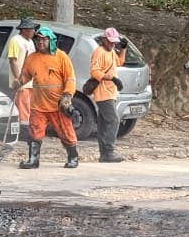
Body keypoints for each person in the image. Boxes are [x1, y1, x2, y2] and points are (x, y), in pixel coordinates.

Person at [18, 25, 78, 169]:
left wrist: (67, 96)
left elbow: (70, 79)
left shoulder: (61, 57)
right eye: (38, 40)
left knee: (66, 131)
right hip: (38, 104)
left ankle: (73, 158)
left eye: (44, 40)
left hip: (58, 104)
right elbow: (25, 76)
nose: (41, 42)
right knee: (34, 132)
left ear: (51, 41)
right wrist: (18, 82)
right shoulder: (32, 58)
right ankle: (33, 160)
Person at [90, 27, 128, 163]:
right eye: (110, 41)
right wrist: (111, 78)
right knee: (113, 120)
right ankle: (109, 151)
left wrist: (123, 49)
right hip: (103, 92)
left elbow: (119, 62)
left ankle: (104, 154)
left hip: (110, 92)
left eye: (114, 42)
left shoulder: (111, 51)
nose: (112, 44)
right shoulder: (99, 52)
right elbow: (94, 71)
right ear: (104, 40)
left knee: (103, 123)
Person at [7, 17, 36, 124]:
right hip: (22, 82)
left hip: (31, 82)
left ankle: (28, 127)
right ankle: (23, 129)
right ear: (24, 30)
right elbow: (13, 61)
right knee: (23, 109)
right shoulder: (15, 40)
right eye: (31, 29)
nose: (33, 31)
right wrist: (18, 79)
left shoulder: (31, 42)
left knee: (29, 108)